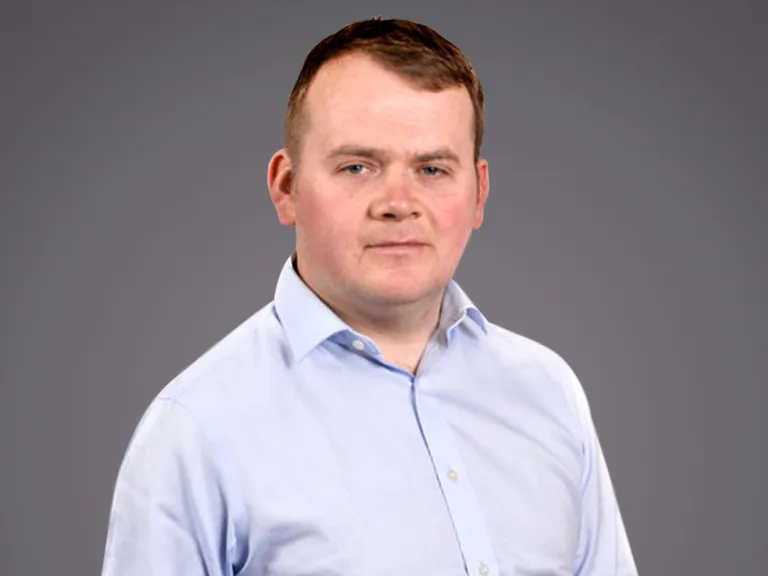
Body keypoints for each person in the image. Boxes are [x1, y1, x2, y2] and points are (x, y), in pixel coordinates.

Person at [101, 17, 638, 576]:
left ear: (479, 193)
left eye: (432, 168)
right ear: (286, 188)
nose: (398, 203)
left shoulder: (548, 393)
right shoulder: (195, 431)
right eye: (358, 166)